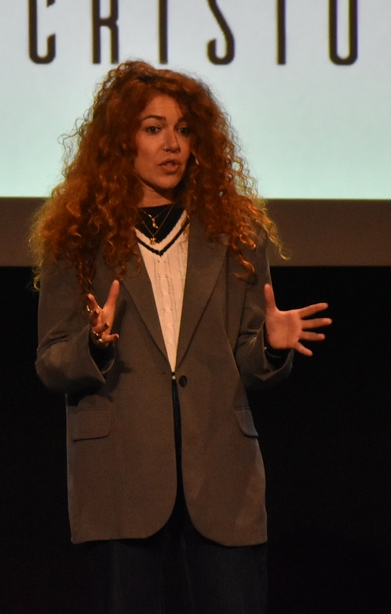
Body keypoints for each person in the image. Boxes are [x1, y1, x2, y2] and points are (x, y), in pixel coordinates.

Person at [32, 61, 331, 614]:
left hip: (221, 470)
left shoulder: (235, 234)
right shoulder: (78, 238)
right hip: (120, 470)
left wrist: (270, 346)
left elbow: (249, 365)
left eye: (185, 130)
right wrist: (93, 345)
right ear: (122, 141)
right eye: (154, 129)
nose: (172, 144)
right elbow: (51, 362)